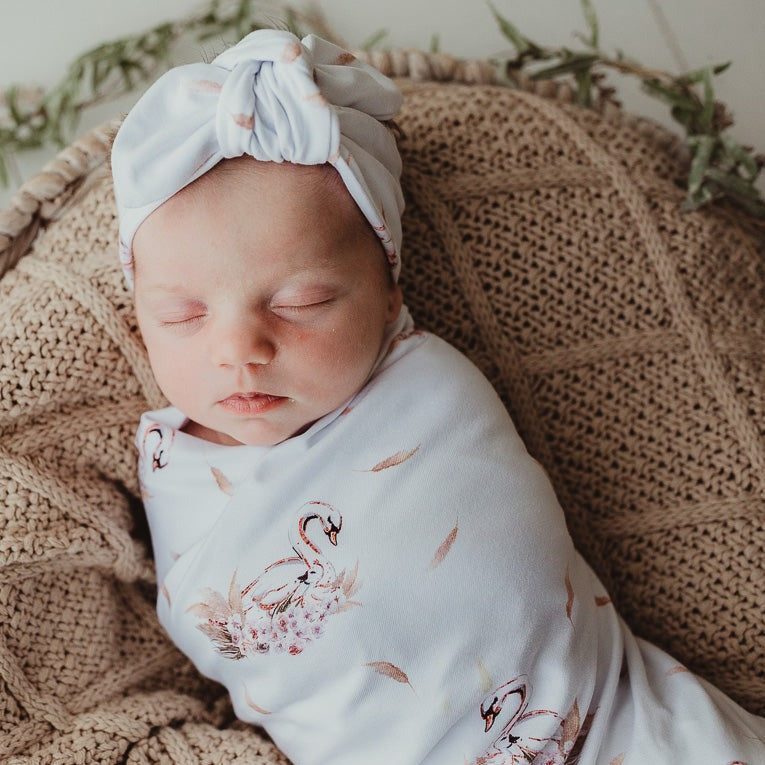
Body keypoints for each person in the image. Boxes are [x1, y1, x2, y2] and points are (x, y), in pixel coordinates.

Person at [110, 28, 765, 765]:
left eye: (301, 300)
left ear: (390, 296)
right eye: (183, 316)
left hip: (619, 722)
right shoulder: (167, 471)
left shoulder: (424, 388)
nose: (238, 349)